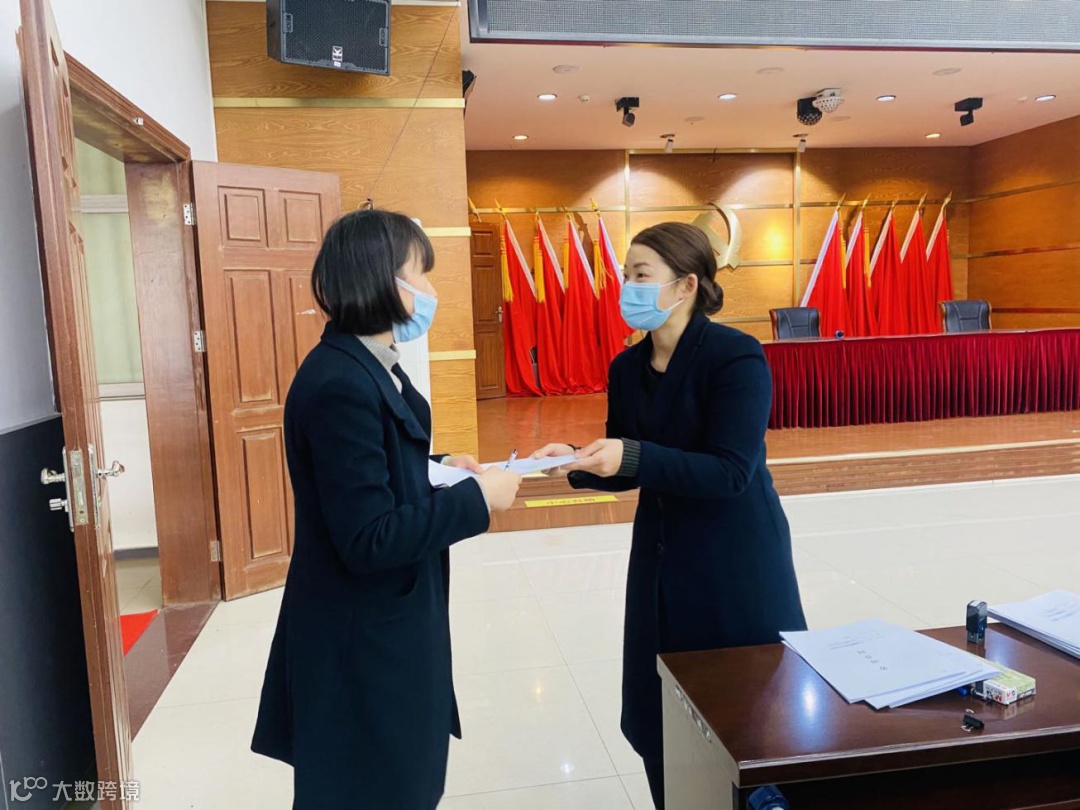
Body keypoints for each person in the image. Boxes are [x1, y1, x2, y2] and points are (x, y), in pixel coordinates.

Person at [251, 209, 522, 809]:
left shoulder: (366, 364)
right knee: (377, 786)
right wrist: (477, 500)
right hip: (360, 638)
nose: (429, 290)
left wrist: (442, 468)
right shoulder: (341, 383)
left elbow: (373, 468)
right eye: (419, 274)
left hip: (386, 621)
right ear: (380, 279)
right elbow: (368, 537)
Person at [533, 222, 806, 809]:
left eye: (641, 275)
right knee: (659, 717)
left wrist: (631, 455)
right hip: (659, 563)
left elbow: (730, 470)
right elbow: (627, 462)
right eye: (625, 275)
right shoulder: (626, 368)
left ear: (686, 285)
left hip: (734, 565)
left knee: (746, 716)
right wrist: (575, 460)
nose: (627, 287)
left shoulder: (734, 356)